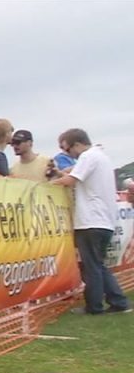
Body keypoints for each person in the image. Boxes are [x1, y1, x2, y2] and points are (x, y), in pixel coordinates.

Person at [50, 128, 131, 315]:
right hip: (104, 221)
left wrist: (49, 184)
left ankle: (94, 306)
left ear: (77, 144)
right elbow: (73, 174)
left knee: (91, 266)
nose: (68, 154)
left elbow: (71, 180)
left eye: (68, 149)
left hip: (91, 221)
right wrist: (60, 173)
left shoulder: (88, 157)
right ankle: (118, 301)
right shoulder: (101, 157)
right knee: (98, 264)